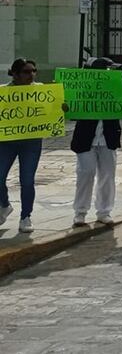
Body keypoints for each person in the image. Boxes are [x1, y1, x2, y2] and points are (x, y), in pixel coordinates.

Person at [72, 57, 122, 227]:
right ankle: (80, 212)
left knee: (108, 175)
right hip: (86, 137)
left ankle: (104, 211)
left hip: (108, 137)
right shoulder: (83, 88)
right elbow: (72, 110)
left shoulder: (116, 88)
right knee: (85, 173)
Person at [0, 59, 46, 233]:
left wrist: (60, 106)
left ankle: (26, 216)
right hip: (6, 142)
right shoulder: (3, 92)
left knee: (27, 181)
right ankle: (4, 205)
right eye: (27, 72)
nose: (31, 75)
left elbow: (51, 110)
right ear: (16, 74)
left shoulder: (41, 90)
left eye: (34, 71)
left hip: (31, 142)